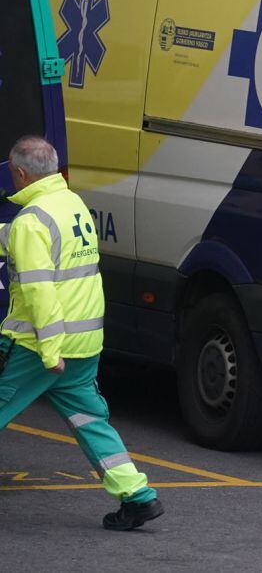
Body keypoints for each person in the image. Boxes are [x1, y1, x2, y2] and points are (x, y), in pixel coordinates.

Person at [0, 136, 164, 530]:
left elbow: (40, 291)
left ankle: (137, 496)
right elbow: (31, 243)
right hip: (85, 341)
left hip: (39, 345)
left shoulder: (31, 221)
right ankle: (137, 496)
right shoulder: (71, 204)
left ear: (20, 173)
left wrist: (49, 351)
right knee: (91, 421)